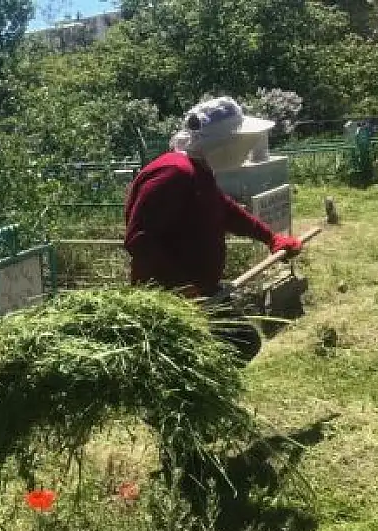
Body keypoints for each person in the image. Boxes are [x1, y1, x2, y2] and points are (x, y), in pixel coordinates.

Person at [124, 96, 304, 361]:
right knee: (233, 346)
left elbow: (224, 209)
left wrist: (271, 238)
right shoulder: (173, 173)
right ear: (223, 143)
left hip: (201, 290)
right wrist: (180, 286)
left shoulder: (199, 171)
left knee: (240, 344)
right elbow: (139, 238)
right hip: (171, 298)